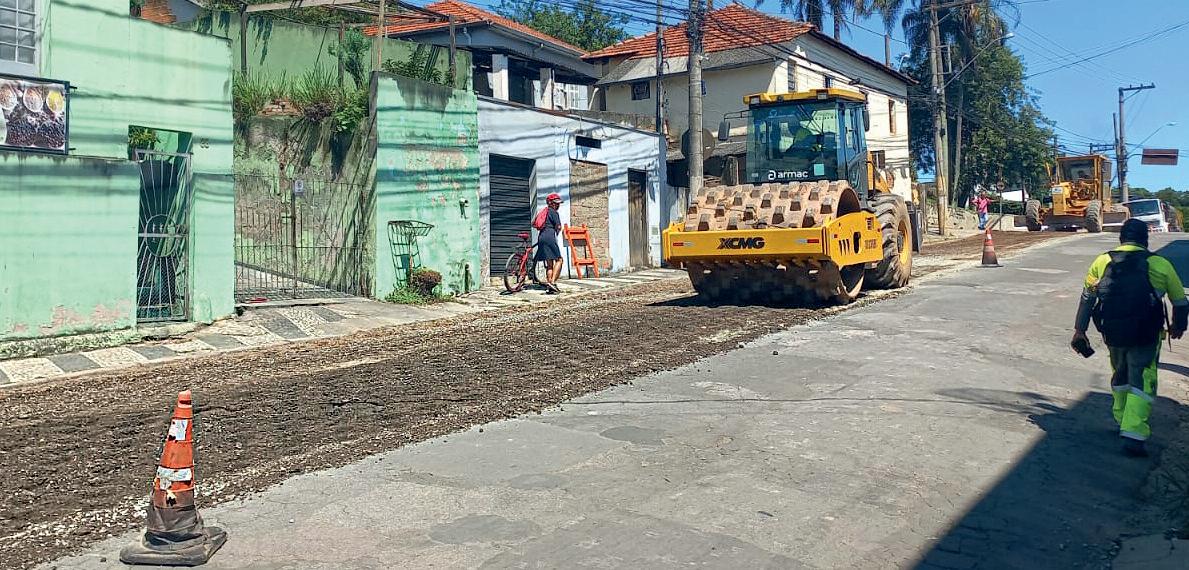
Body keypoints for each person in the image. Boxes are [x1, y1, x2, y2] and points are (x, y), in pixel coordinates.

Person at [1071, 219, 1188, 457]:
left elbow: (1087, 299)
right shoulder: (1159, 264)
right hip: (1147, 334)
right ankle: (1134, 433)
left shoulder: (1102, 261)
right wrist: (1178, 326)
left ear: (1121, 238)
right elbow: (1180, 301)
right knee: (1142, 379)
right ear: (1146, 239)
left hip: (1113, 333)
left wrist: (1079, 330)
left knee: (1120, 373)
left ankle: (1121, 418)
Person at [535, 193, 565, 294]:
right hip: (549, 236)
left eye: (558, 203)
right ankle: (552, 282)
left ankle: (549, 287)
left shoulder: (544, 211)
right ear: (550, 203)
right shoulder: (553, 212)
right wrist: (556, 233)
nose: (558, 205)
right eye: (556, 203)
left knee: (549, 264)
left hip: (541, 236)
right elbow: (559, 227)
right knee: (559, 260)